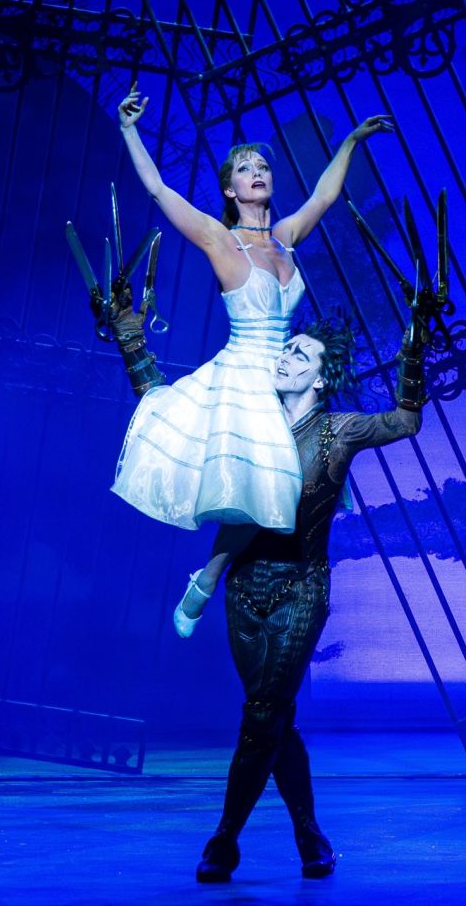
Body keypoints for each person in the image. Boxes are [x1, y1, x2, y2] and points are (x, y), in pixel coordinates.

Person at [106, 297, 427, 883]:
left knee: (260, 713)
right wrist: (131, 338)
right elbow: (166, 410)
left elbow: (405, 420)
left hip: (303, 586)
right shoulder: (245, 424)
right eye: (288, 349)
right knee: (274, 718)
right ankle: (309, 834)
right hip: (244, 592)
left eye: (302, 354)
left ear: (323, 377)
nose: (288, 357)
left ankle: (224, 840)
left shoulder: (337, 430)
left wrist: (416, 348)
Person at [111, 82, 393, 636]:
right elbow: (160, 190)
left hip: (290, 373)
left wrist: (351, 143)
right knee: (262, 488)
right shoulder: (221, 239)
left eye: (262, 164)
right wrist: (128, 129)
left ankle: (239, 585)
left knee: (298, 489)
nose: (257, 171)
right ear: (231, 189)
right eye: (244, 168)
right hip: (244, 375)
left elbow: (325, 198)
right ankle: (207, 581)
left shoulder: (286, 238)